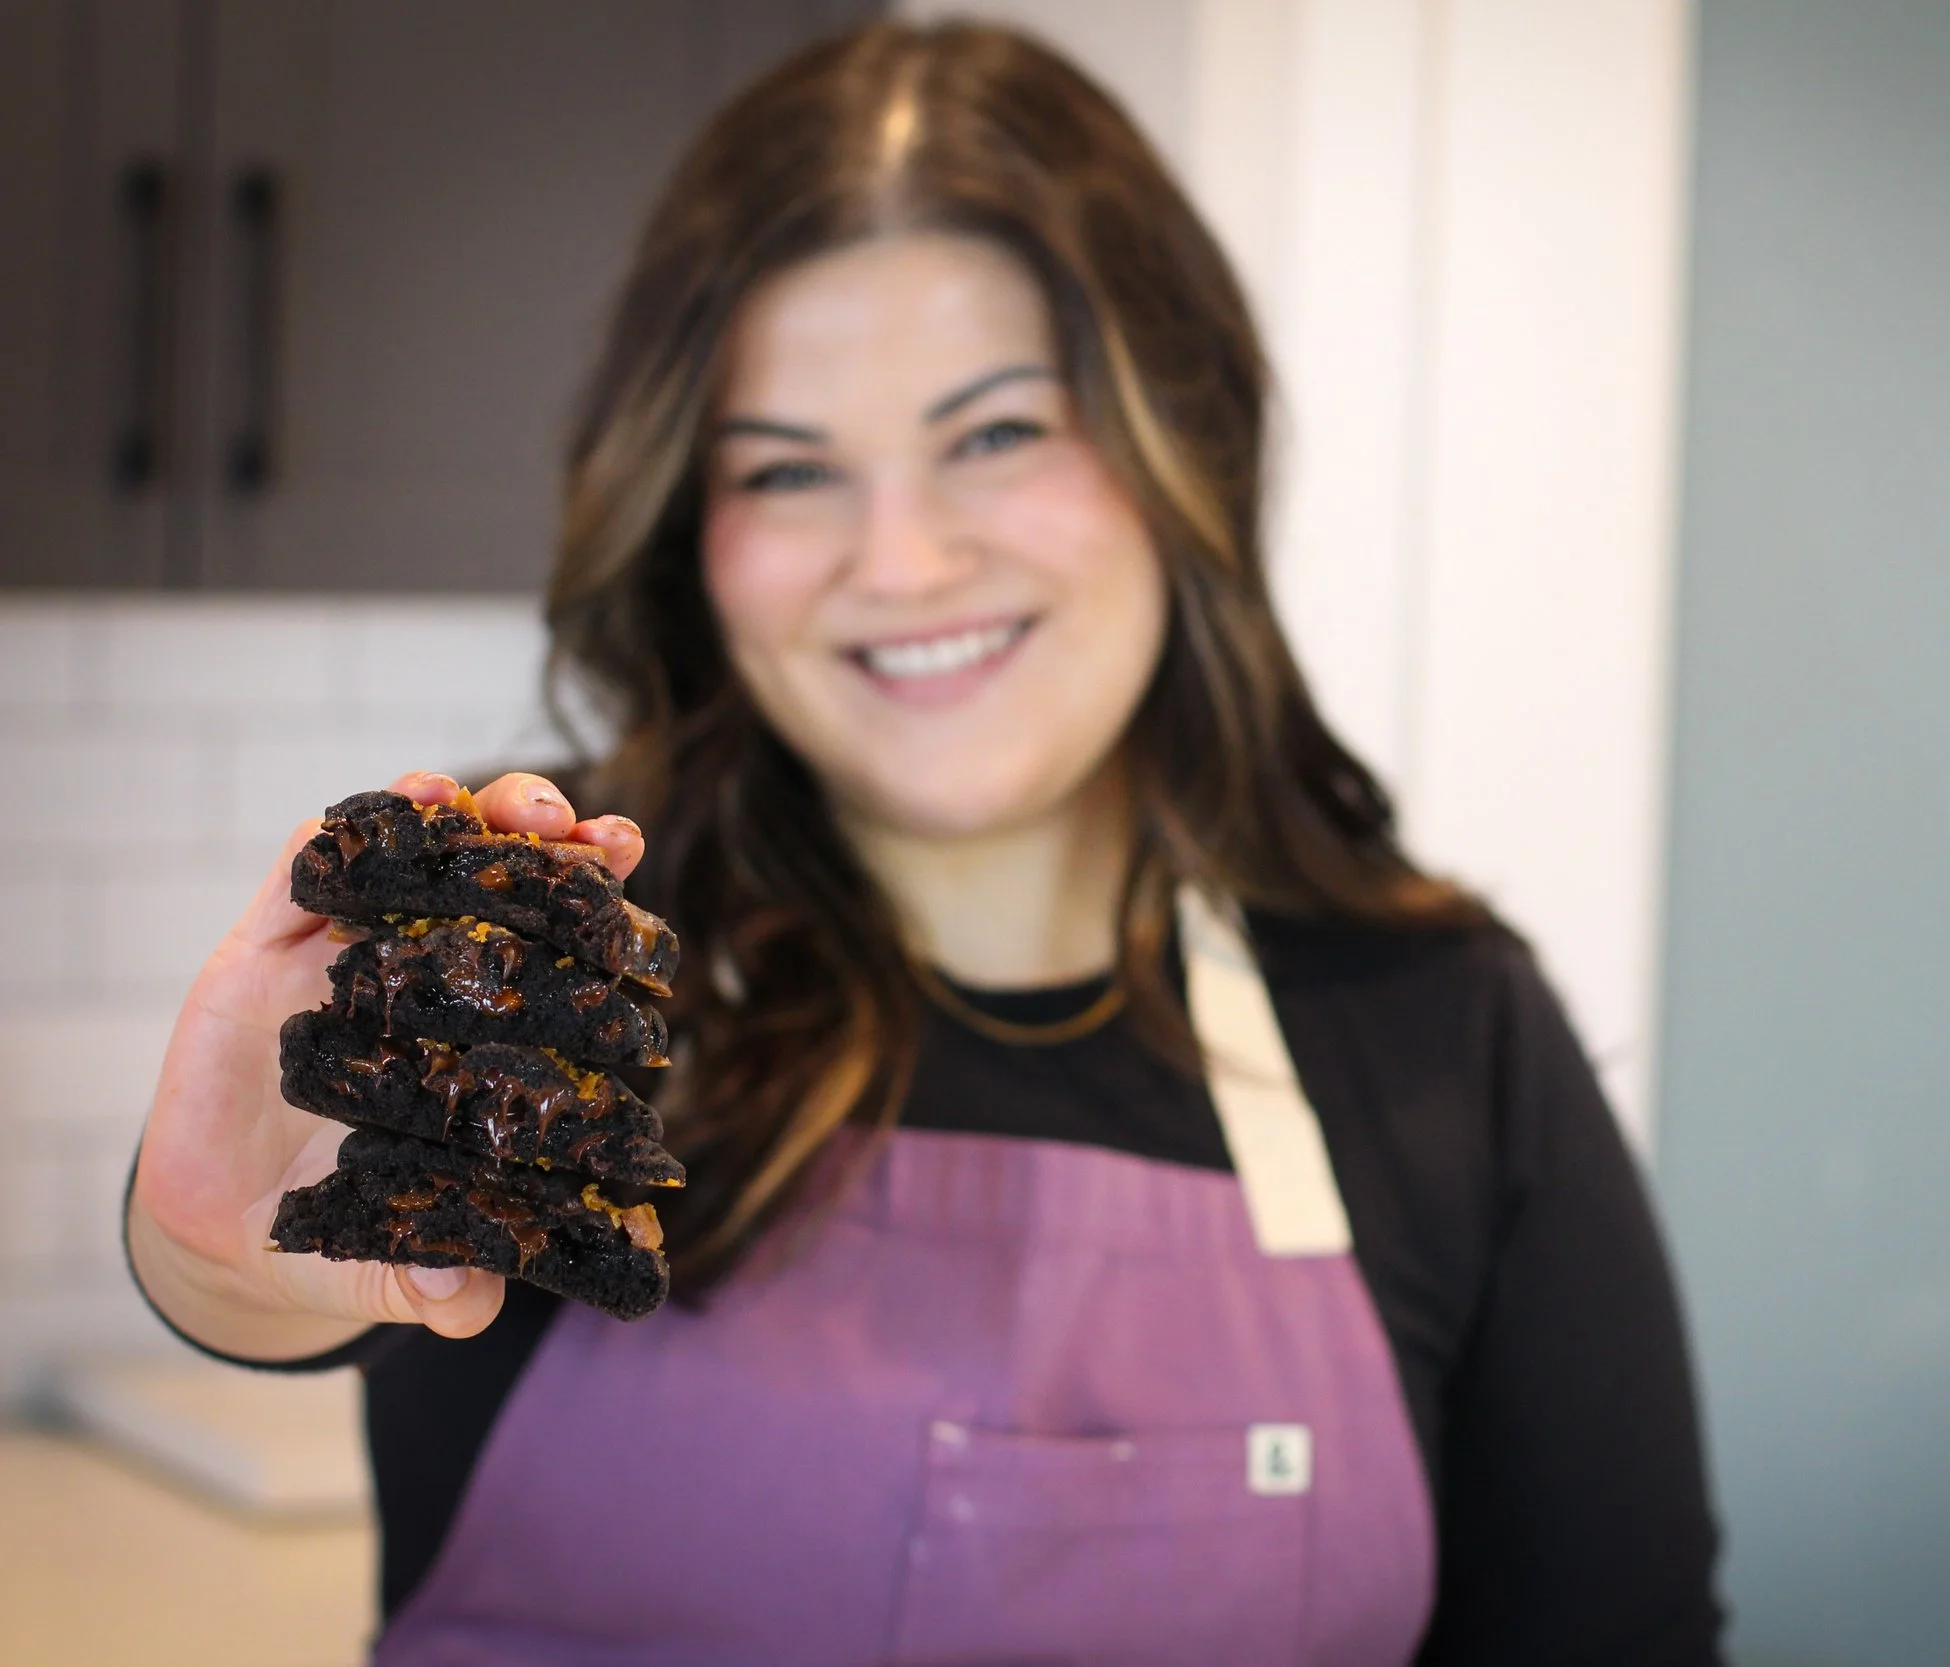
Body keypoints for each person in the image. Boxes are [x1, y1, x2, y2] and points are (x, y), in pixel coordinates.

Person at [123, 20, 1724, 1665]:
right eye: (791, 470)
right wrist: (205, 1260)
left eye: (998, 433)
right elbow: (268, 1270)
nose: (899, 561)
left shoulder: (1445, 1041)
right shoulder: (550, 957)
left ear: (1185, 448)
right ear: (695, 529)